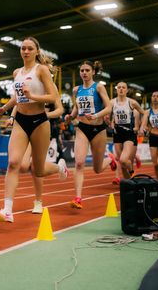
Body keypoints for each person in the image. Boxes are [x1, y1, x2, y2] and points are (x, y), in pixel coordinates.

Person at [0, 37, 59, 223]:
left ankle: (59, 167)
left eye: (30, 48)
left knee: (38, 170)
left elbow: (53, 96)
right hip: (21, 121)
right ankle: (7, 210)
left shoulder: (42, 70)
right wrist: (4, 109)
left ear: (37, 51)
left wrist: (33, 96)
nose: (26, 51)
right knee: (14, 163)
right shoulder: (17, 72)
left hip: (39, 121)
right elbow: (17, 97)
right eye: (23, 48)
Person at [65, 61, 114, 209]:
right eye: (82, 70)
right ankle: (78, 198)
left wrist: (96, 115)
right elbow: (76, 108)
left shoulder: (98, 87)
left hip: (98, 129)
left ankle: (110, 159)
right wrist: (70, 117)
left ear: (93, 72)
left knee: (97, 169)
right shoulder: (76, 90)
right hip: (82, 128)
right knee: (79, 163)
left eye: (87, 70)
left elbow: (109, 107)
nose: (84, 73)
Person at [8, 98, 68, 214]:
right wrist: (12, 117)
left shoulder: (48, 87)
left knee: (36, 168)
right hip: (25, 125)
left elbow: (60, 110)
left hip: (42, 127)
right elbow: (18, 103)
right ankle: (60, 167)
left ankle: (38, 201)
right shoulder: (28, 83)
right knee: (24, 166)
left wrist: (46, 114)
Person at [107, 81, 145, 181]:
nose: (121, 89)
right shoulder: (111, 102)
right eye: (119, 87)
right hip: (117, 133)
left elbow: (145, 113)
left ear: (127, 90)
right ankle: (130, 184)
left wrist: (141, 128)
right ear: (116, 90)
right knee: (122, 163)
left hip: (129, 133)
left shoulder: (132, 102)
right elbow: (108, 117)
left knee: (124, 160)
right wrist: (108, 121)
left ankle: (132, 172)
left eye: (123, 87)